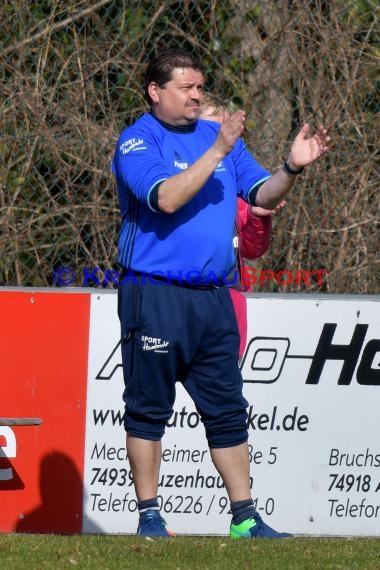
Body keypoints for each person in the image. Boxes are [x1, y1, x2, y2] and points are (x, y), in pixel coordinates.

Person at [112, 47, 330, 539]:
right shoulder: (137, 141)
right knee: (148, 409)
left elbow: (260, 196)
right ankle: (150, 518)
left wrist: (291, 168)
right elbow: (164, 198)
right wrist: (216, 152)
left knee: (228, 410)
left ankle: (245, 519)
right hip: (155, 293)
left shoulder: (218, 135)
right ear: (156, 91)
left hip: (213, 297)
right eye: (187, 87)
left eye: (200, 86)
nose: (197, 95)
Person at [199, 92, 286, 359]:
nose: (218, 139)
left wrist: (258, 216)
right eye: (207, 129)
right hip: (179, 297)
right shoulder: (173, 169)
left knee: (224, 390)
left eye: (221, 129)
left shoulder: (238, 176)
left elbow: (252, 249)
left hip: (229, 296)